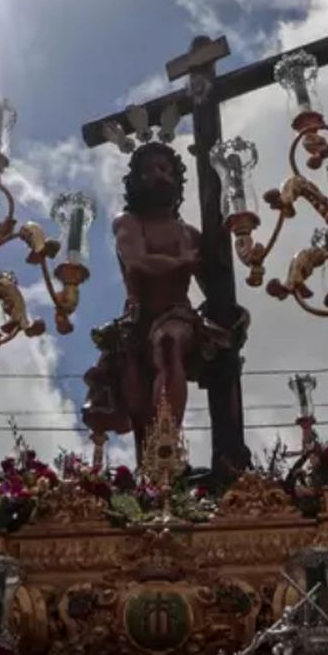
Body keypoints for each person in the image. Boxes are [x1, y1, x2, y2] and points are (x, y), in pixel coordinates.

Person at [83, 142, 231, 462]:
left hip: (177, 315)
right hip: (137, 321)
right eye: (148, 170)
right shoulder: (129, 223)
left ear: (177, 179)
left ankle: (166, 446)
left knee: (167, 343)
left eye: (165, 169)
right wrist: (183, 262)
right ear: (135, 180)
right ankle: (148, 474)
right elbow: (137, 262)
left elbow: (215, 288)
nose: (158, 176)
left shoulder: (190, 234)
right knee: (137, 402)